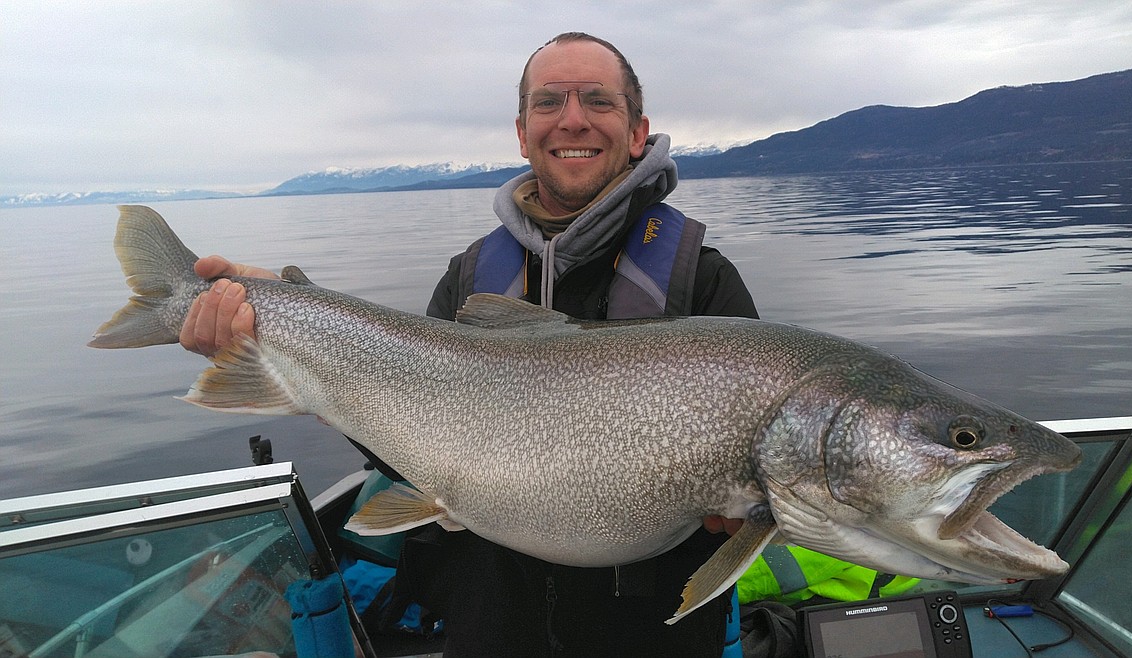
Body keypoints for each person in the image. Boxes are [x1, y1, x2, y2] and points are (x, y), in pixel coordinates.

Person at [180, 32, 756, 657]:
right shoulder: (468, 276)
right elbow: (401, 450)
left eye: (597, 100)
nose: (572, 119)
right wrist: (284, 330)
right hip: (490, 630)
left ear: (638, 131)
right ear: (521, 131)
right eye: (548, 103)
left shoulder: (704, 280)